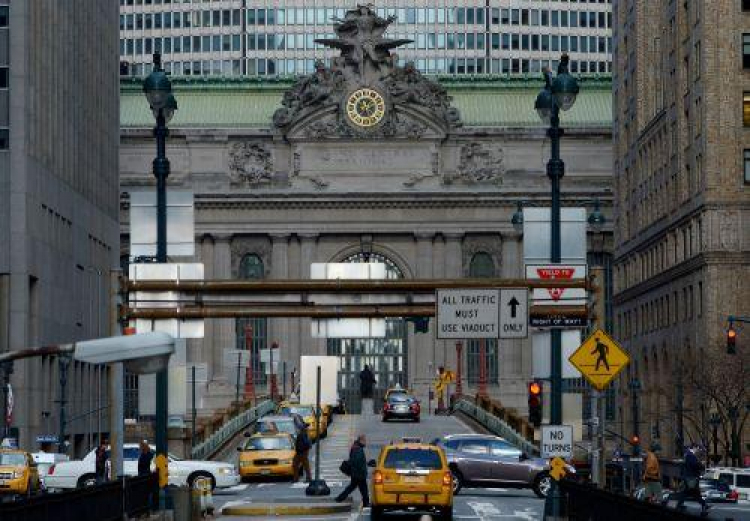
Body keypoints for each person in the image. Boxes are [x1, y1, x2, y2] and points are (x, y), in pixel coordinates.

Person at [335, 434, 370, 507]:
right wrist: (362, 469)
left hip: (356, 473)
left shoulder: (356, 447)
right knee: (363, 489)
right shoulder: (358, 449)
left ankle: (340, 498)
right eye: (364, 440)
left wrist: (365, 463)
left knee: (353, 487)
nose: (366, 442)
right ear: (361, 440)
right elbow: (356, 461)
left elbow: (357, 460)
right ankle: (366, 503)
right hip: (359, 474)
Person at [675, 445, 709, 516]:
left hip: (688, 478)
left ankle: (678, 506)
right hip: (691, 478)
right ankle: (704, 505)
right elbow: (695, 465)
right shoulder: (691, 456)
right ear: (694, 448)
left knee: (688, 493)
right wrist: (701, 464)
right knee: (693, 493)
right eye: (698, 448)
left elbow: (685, 467)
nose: (698, 450)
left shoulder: (687, 455)